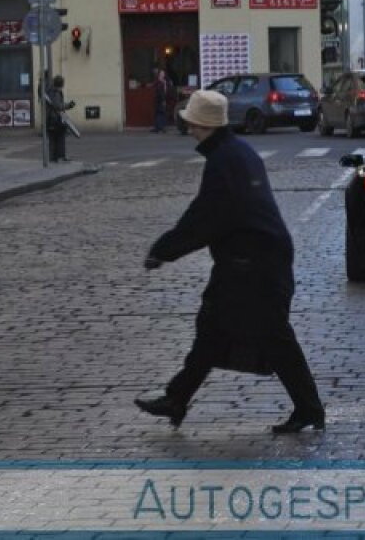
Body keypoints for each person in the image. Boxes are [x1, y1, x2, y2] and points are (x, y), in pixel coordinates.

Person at [135, 89, 326, 434]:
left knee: (272, 337)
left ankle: (310, 409)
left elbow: (204, 218)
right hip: (256, 258)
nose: (189, 128)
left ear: (201, 123)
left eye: (191, 122)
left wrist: (163, 250)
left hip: (252, 263)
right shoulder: (237, 152)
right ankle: (176, 398)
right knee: (214, 328)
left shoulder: (224, 161)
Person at [45, 75, 75, 162]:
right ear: (61, 84)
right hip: (56, 119)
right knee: (60, 138)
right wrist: (68, 105)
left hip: (50, 118)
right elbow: (58, 105)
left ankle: (53, 158)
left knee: (53, 139)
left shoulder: (49, 91)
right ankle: (59, 157)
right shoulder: (56, 92)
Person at [151, 66, 172, 133]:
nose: (162, 75)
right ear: (159, 74)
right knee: (159, 113)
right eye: (161, 73)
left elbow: (168, 88)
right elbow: (157, 90)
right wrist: (162, 99)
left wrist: (167, 83)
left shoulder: (166, 81)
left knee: (162, 113)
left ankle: (160, 128)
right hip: (159, 99)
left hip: (164, 99)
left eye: (163, 73)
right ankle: (159, 128)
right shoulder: (157, 81)